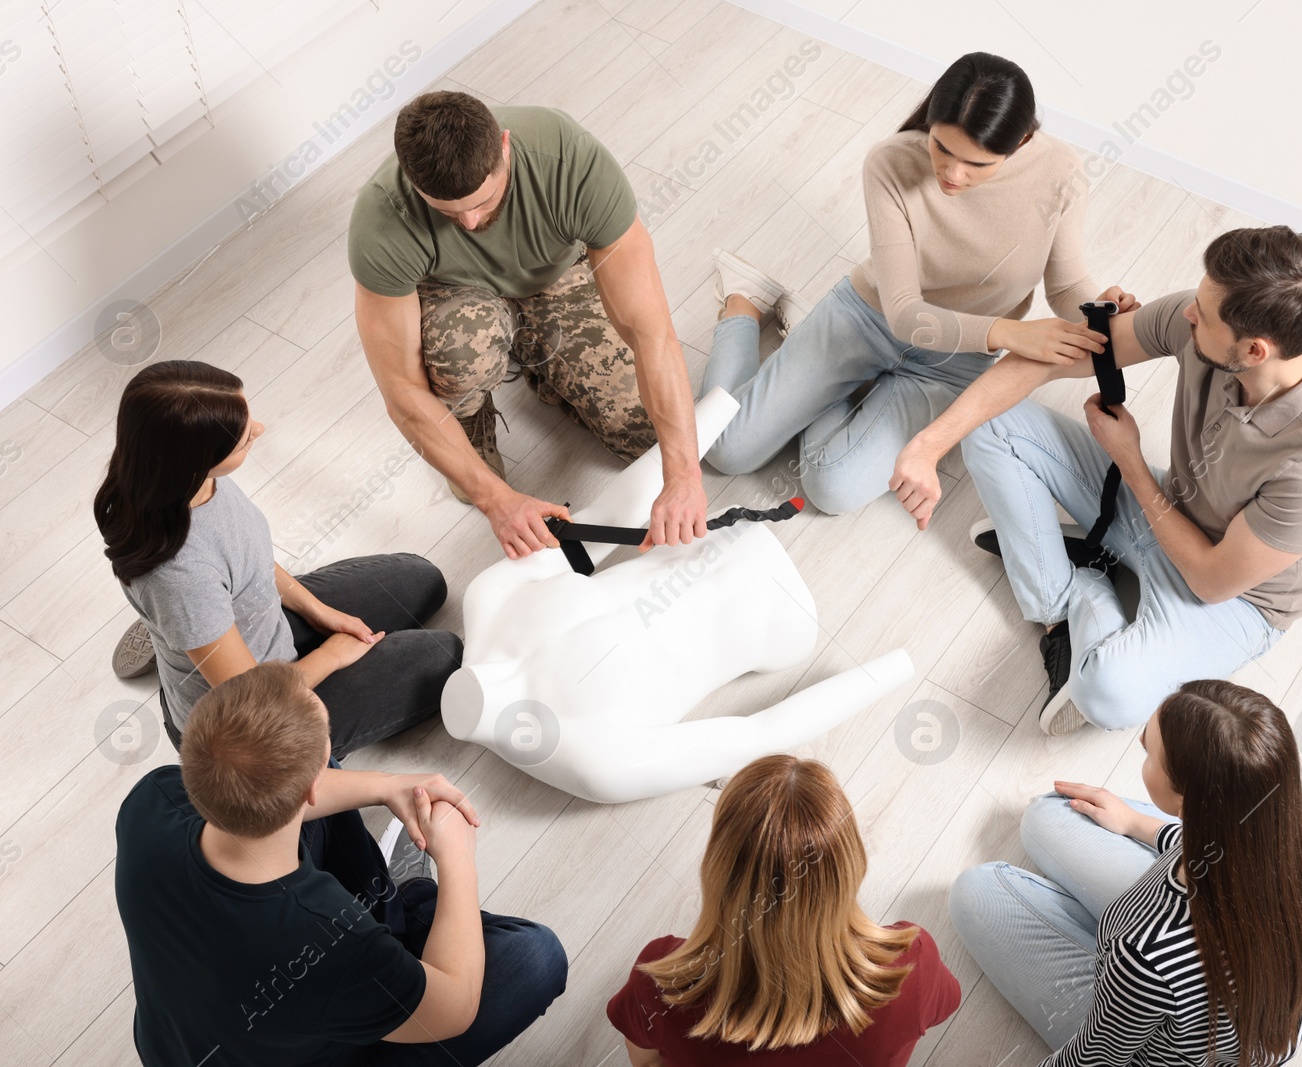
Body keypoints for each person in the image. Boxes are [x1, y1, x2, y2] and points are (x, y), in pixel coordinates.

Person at [892, 225, 1302, 734]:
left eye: (1203, 315)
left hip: (1235, 597)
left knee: (1108, 697)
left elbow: (1211, 580)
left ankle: (1087, 571)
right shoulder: (1206, 320)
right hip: (1172, 503)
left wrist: (1132, 464)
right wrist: (929, 445)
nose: (1188, 312)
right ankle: (1060, 611)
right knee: (990, 421)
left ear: (1254, 351)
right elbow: (1054, 356)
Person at [699, 51, 1135, 514]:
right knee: (726, 450)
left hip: (952, 361)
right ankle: (744, 304)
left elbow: (1066, 286)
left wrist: (1097, 304)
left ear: (1023, 141)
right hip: (870, 319)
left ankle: (819, 368)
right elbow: (904, 312)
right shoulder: (890, 163)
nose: (952, 173)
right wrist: (1007, 332)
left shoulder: (1060, 173)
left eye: (976, 164)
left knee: (832, 490)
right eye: (942, 148)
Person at [114, 661, 567, 1066]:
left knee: (313, 760)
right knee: (535, 957)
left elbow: (287, 794)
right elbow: (454, 1009)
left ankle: (398, 916)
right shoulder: (322, 944)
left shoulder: (153, 800)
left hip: (186, 1044)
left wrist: (389, 785)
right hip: (323, 1008)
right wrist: (456, 857)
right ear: (312, 789)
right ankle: (408, 916)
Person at [349, 90, 708, 560]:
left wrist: (683, 476)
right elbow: (401, 390)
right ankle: (470, 413)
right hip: (457, 301)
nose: (472, 221)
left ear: (504, 147)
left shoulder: (568, 161)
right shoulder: (382, 220)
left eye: (483, 201)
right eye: (448, 212)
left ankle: (543, 359)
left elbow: (650, 331)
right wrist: (495, 500)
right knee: (465, 352)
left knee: (646, 435)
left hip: (552, 274)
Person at [950, 680, 1302, 1066]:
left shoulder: (1145, 956)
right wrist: (1135, 823)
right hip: (1213, 1006)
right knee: (1046, 814)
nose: (1140, 741)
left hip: (1146, 1026)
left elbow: (1094, 1059)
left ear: (1190, 803)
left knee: (975, 892)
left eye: (1151, 752)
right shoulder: (1290, 841)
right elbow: (1207, 846)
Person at [97, 360, 461, 757]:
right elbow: (252, 696)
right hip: (246, 726)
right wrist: (331, 655)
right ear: (194, 457)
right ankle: (192, 638)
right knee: (443, 657)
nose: (259, 430)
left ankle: (191, 636)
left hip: (260, 625)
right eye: (243, 440)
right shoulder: (182, 576)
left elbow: (248, 555)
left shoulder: (191, 481)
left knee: (422, 580)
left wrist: (319, 611)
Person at [607, 755, 960, 1065]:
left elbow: (646, 1063)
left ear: (718, 871)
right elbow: (946, 1004)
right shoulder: (914, 966)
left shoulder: (663, 987)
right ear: (850, 864)